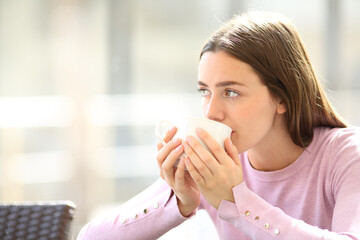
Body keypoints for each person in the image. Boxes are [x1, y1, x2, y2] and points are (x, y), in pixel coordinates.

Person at [77, 11, 360, 240]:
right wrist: (178, 202)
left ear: (282, 97)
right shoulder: (217, 163)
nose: (211, 112)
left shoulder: (346, 155)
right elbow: (92, 236)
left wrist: (237, 204)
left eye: (231, 92)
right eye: (205, 91)